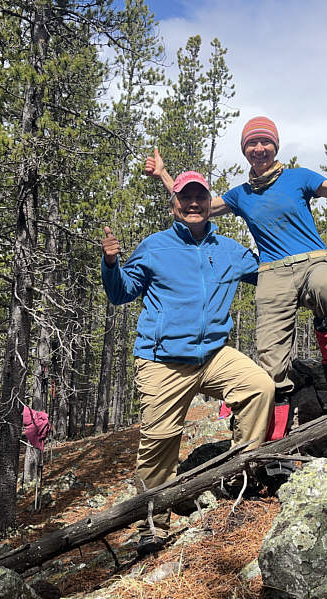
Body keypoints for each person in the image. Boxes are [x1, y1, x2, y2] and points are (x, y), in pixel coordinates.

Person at [146, 116, 327, 417]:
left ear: (275, 146)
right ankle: (274, 436)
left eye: (266, 142)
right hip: (273, 272)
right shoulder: (240, 195)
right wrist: (163, 175)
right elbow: (194, 206)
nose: (259, 148)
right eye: (252, 143)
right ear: (244, 150)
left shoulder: (299, 178)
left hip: (313, 261)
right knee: (270, 360)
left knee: (326, 287)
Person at [100, 170, 274, 556]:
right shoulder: (154, 247)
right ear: (174, 204)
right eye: (185, 197)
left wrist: (311, 259)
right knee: (159, 442)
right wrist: (111, 263)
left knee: (259, 387)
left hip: (212, 355)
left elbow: (270, 272)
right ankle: (152, 526)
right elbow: (121, 293)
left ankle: (240, 475)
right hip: (162, 361)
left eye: (200, 197)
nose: (193, 203)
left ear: (210, 203)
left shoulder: (229, 250)